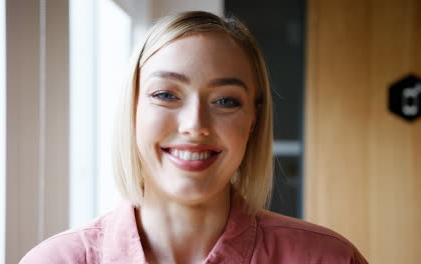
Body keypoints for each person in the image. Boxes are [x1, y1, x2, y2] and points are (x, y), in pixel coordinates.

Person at [20, 11, 368, 264]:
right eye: (166, 95)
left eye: (226, 101)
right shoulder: (55, 260)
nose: (195, 124)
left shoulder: (329, 258)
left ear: (253, 121)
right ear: (133, 109)